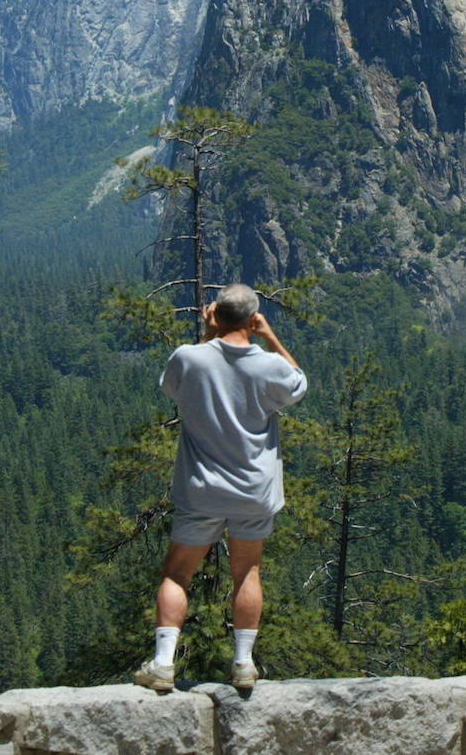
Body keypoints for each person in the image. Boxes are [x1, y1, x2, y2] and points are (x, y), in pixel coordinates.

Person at [133, 283, 307, 693]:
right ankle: (244, 663)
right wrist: (268, 335)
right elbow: (298, 383)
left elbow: (175, 385)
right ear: (252, 319)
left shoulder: (188, 358)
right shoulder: (267, 365)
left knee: (177, 573)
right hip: (252, 488)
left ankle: (162, 664)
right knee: (246, 570)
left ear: (214, 315)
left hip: (201, 488)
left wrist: (210, 336)